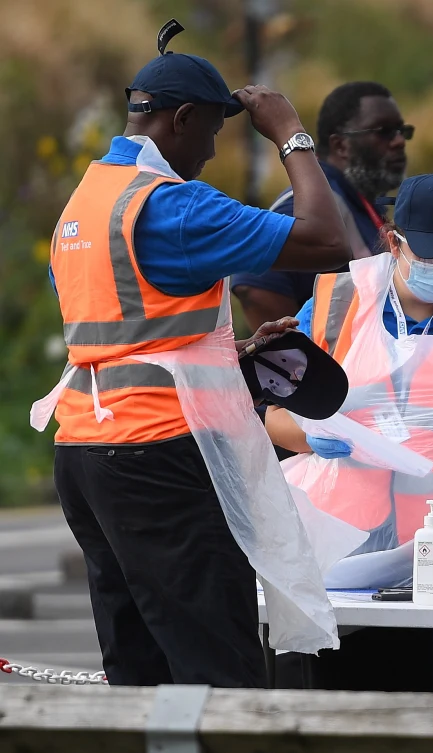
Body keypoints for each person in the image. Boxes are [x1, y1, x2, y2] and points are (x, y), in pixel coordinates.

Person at [36, 24, 351, 688]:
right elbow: (328, 240)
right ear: (181, 119)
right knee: (221, 674)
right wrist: (290, 132)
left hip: (85, 454)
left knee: (139, 673)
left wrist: (222, 349)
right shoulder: (174, 206)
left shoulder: (84, 202)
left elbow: (116, 328)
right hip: (158, 457)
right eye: (211, 133)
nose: (211, 153)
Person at [264, 172, 433, 692]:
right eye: (431, 256)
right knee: (340, 711)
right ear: (395, 243)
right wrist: (309, 435)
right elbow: (275, 416)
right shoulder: (334, 304)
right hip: (344, 553)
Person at [233, 81, 411, 331]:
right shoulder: (311, 203)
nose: (399, 141)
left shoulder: (359, 202)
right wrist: (301, 355)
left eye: (402, 131)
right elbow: (253, 284)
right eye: (384, 132)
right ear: (341, 146)